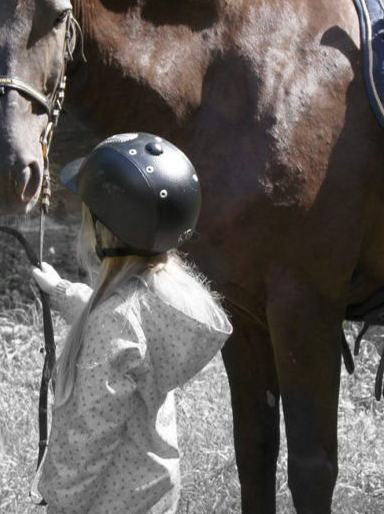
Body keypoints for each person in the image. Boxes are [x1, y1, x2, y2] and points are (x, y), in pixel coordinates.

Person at [29, 132, 232, 513]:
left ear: (109, 230)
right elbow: (121, 329)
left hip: (107, 502)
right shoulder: (160, 298)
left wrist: (59, 502)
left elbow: (91, 433)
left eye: (88, 215)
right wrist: (60, 291)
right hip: (151, 492)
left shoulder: (117, 320)